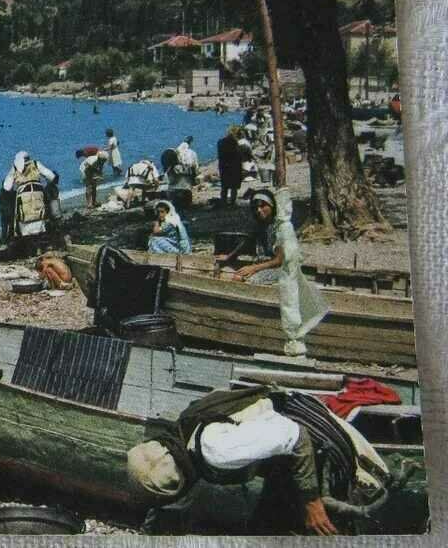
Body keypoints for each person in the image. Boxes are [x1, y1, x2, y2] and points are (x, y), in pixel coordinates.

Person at [123, 386, 389, 536]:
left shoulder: (215, 449)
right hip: (285, 454)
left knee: (314, 531)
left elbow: (296, 437)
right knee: (266, 528)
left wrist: (312, 502)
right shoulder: (185, 430)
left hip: (314, 446)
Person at [215, 189, 327, 356]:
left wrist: (253, 269)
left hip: (279, 269)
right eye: (256, 207)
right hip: (265, 264)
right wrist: (229, 257)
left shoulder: (281, 228)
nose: (259, 210)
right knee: (229, 272)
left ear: (273, 206)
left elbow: (279, 261)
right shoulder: (262, 224)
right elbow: (247, 242)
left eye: (263, 206)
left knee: (238, 278)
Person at [2, 151, 58, 237]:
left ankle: (13, 233)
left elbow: (7, 187)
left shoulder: (15, 168)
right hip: (38, 194)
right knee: (45, 205)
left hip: (23, 199)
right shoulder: (35, 164)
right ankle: (53, 220)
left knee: (18, 212)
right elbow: (51, 176)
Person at [217, 126, 243, 207]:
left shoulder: (220, 142)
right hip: (234, 166)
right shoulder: (235, 143)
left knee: (224, 186)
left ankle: (223, 202)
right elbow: (238, 155)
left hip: (223, 166)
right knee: (234, 186)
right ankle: (232, 202)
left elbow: (220, 155)